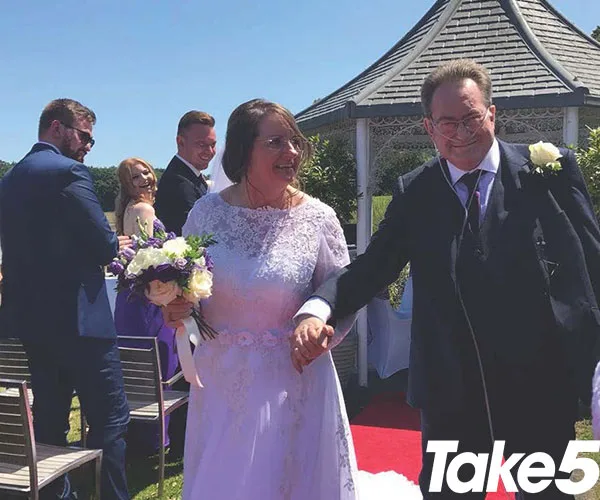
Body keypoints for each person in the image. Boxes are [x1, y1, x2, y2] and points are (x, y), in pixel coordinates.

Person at [293, 59, 600, 499]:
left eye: (472, 117)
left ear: (492, 114)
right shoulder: (414, 191)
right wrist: (318, 306)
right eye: (447, 122)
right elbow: (373, 266)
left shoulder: (546, 172)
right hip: (451, 391)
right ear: (429, 127)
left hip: (538, 384)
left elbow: (591, 256)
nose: (461, 132)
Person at [163, 99, 420, 499]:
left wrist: (320, 332)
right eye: (276, 142)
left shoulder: (318, 218)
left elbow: (341, 291)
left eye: (295, 142)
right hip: (221, 382)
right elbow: (195, 292)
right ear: (244, 149)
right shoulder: (205, 215)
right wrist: (180, 309)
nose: (292, 153)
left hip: (295, 378)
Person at [0, 99, 131, 499]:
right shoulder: (69, 172)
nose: (88, 146)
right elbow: (102, 240)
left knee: (51, 420)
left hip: (33, 321)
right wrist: (114, 241)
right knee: (110, 419)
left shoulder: (10, 179)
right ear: (57, 128)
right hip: (81, 319)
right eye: (85, 136)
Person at [113, 157, 179, 455]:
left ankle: (137, 435)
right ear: (127, 183)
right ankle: (155, 439)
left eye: (146, 172)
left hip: (129, 299)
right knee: (158, 364)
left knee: (135, 367)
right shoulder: (144, 209)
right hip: (148, 299)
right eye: (136, 176)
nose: (146, 178)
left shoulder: (126, 209)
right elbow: (150, 261)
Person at [154, 110, 217, 235]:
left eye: (213, 145)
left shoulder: (191, 177)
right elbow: (192, 237)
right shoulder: (178, 183)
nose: (209, 151)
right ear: (180, 142)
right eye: (201, 144)